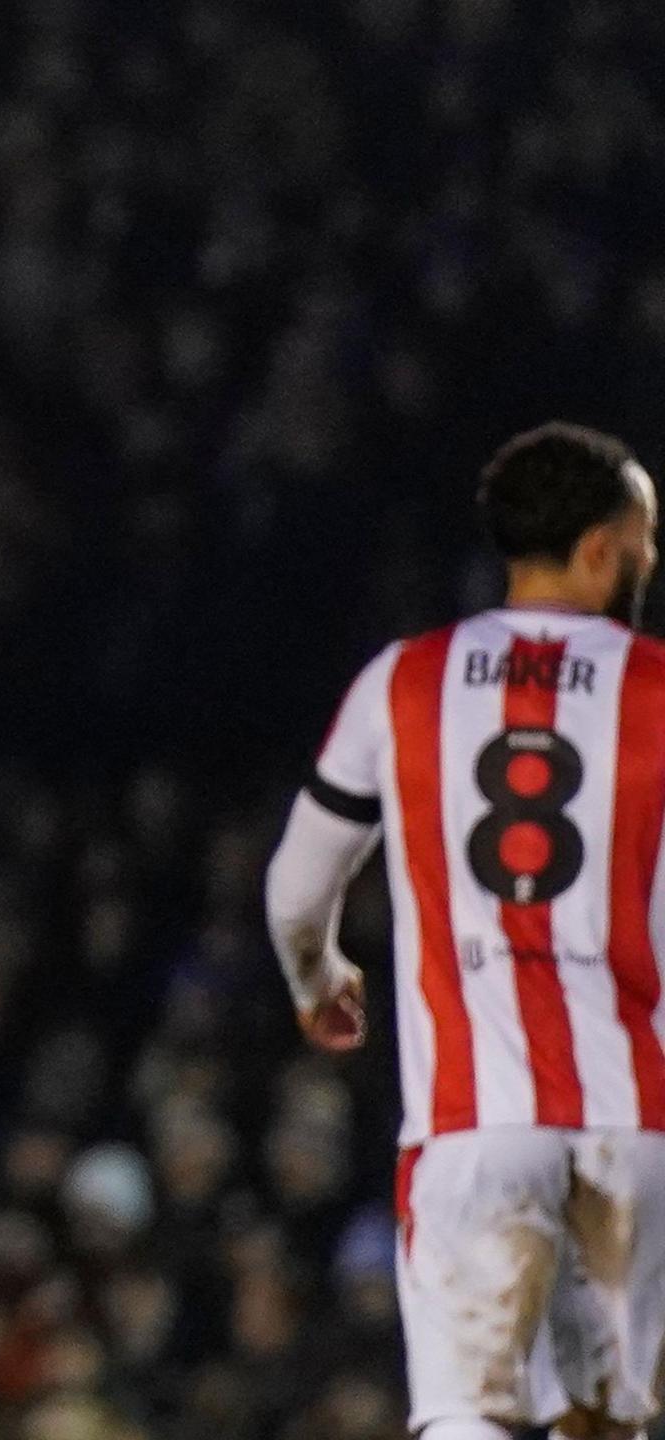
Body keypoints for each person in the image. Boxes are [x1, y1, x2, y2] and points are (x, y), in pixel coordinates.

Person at [264, 421, 665, 1440]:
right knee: (612, 1427)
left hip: (471, 1120)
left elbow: (294, 890)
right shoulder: (658, 688)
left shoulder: (402, 681)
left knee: (463, 1418)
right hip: (633, 1120)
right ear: (598, 549)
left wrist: (316, 981)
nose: (650, 560)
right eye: (643, 538)